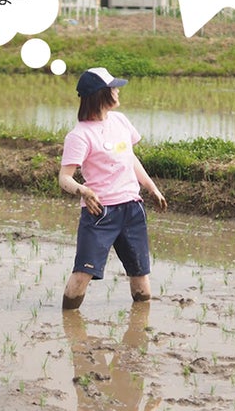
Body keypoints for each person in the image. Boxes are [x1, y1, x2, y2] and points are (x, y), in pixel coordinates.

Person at [58, 67, 167, 310]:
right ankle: (68, 321)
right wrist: (83, 191)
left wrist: (151, 187)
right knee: (82, 275)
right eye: (113, 88)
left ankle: (140, 325)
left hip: (132, 209)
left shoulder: (120, 120)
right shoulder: (79, 135)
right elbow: (64, 178)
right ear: (100, 94)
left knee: (140, 275)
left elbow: (130, 157)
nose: (117, 91)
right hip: (100, 213)